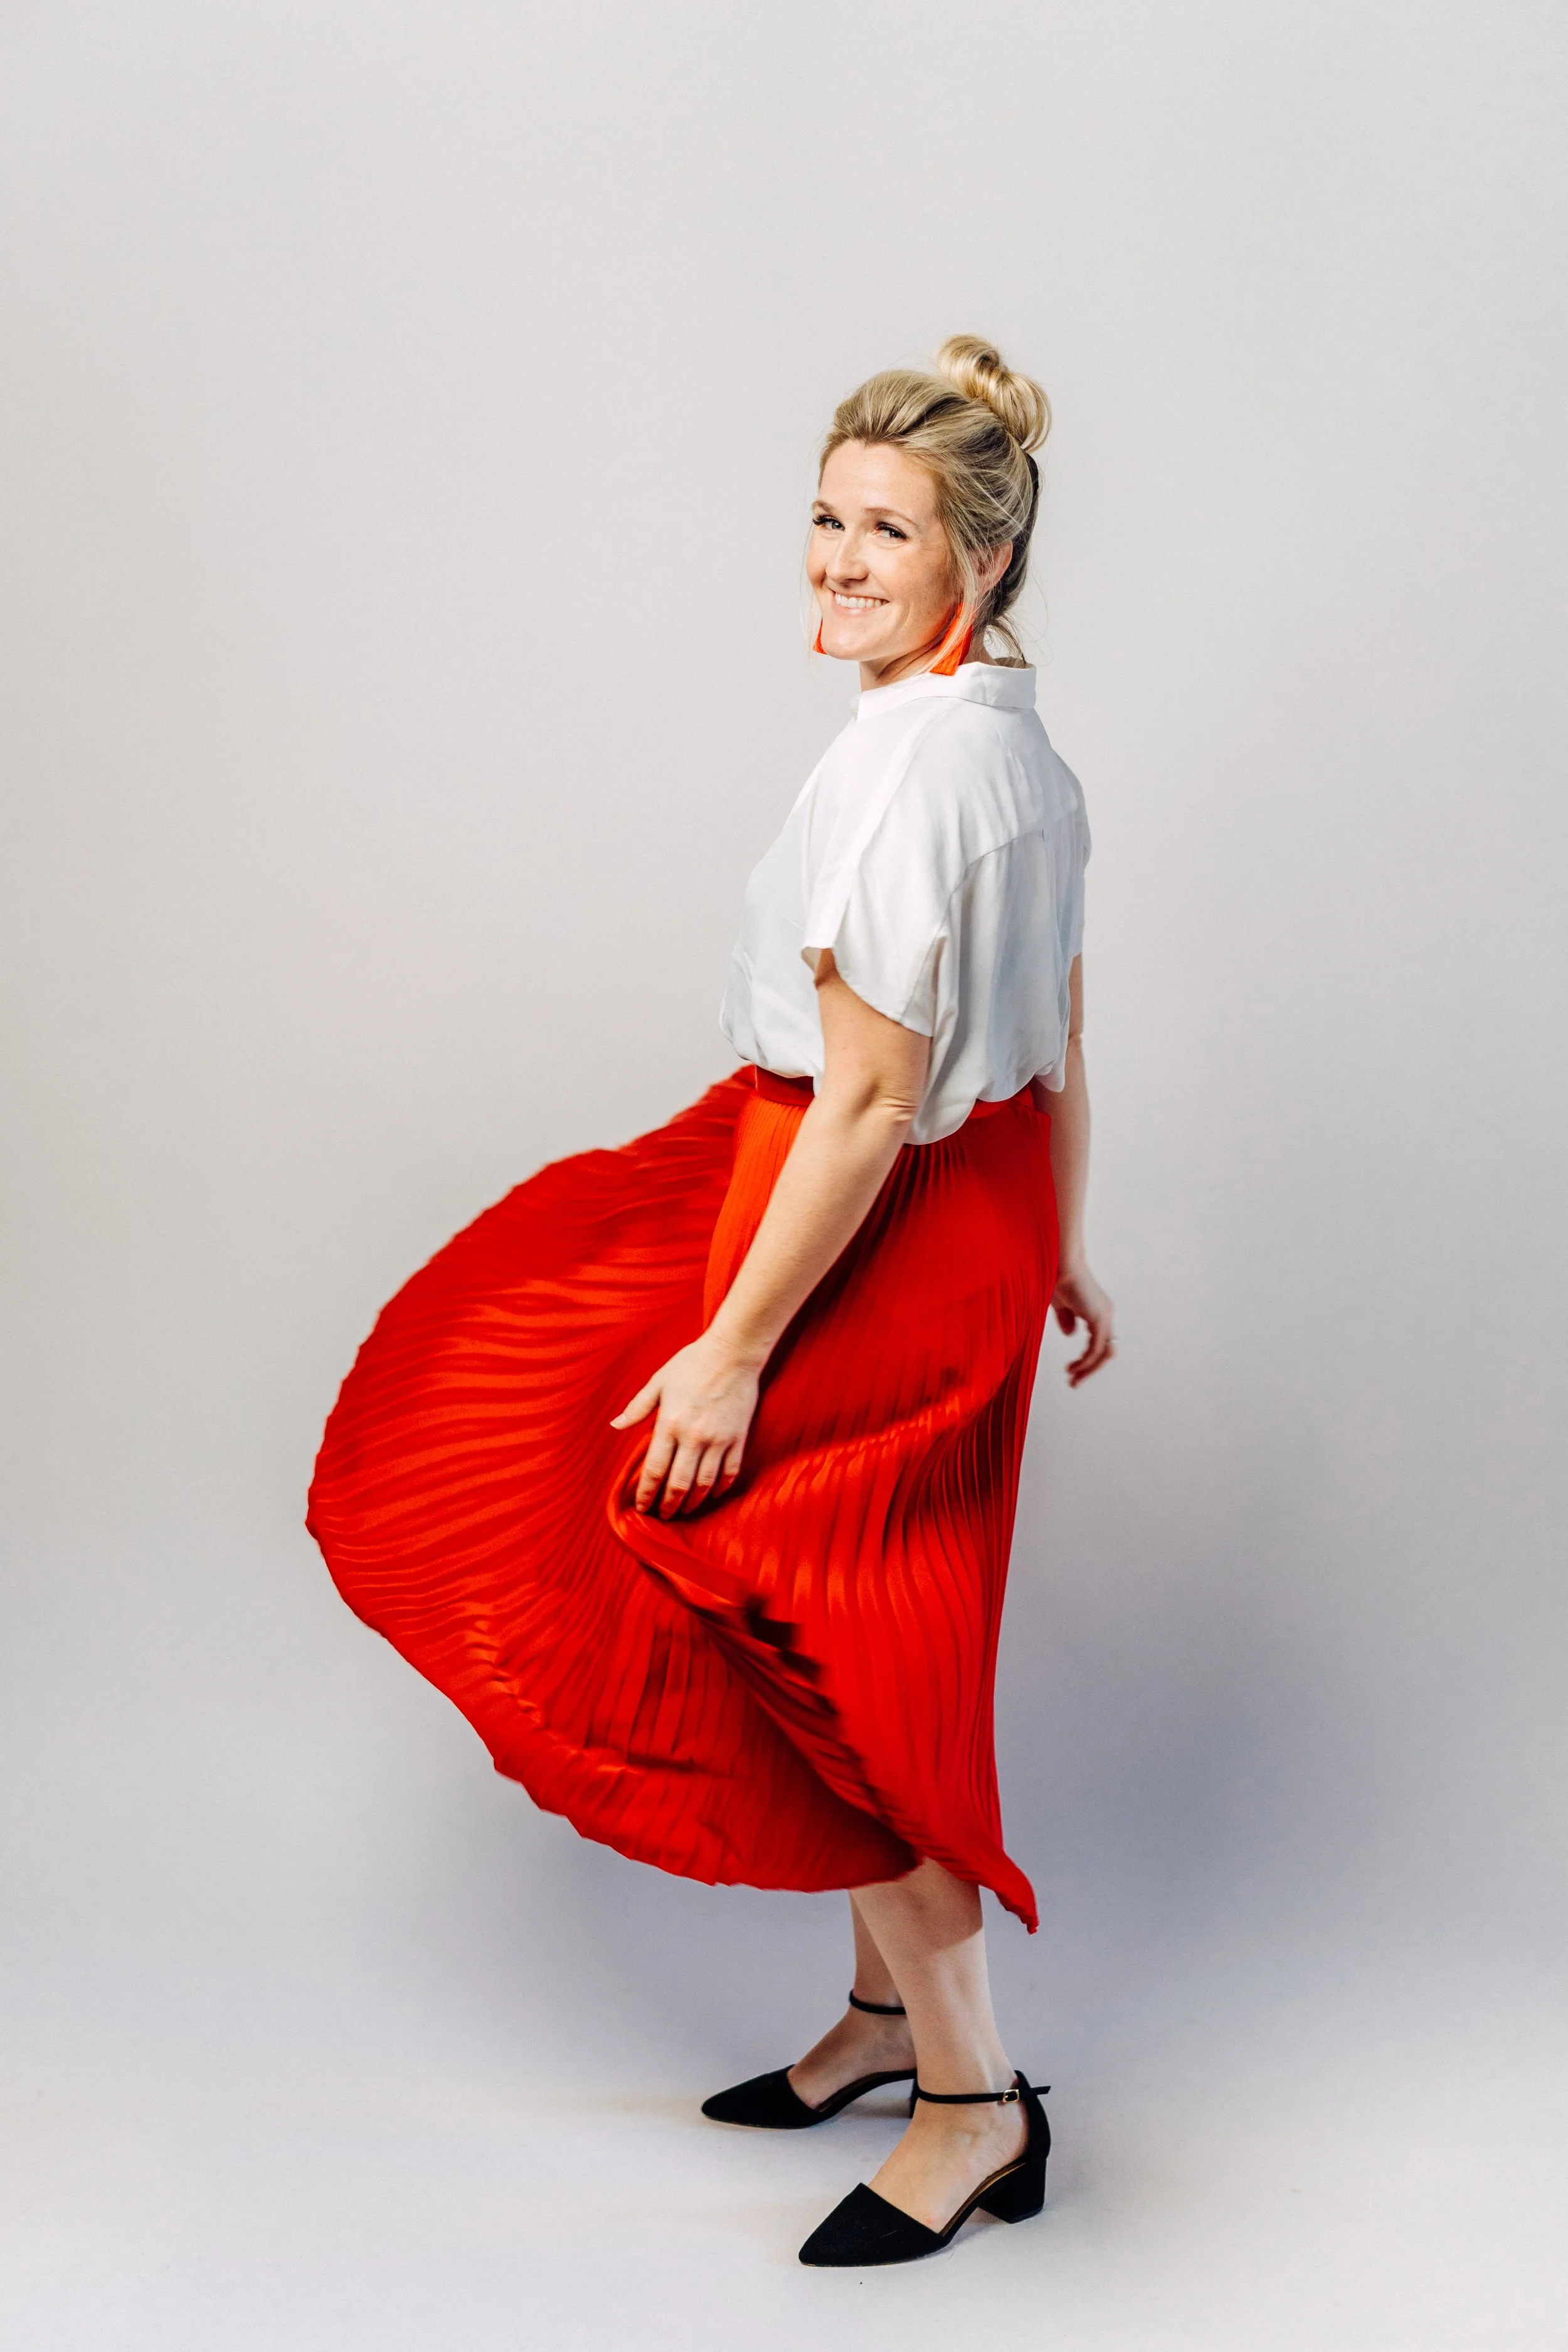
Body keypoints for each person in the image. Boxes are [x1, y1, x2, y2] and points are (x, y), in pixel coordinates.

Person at [307, 334, 1115, 2268]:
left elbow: (861, 1099)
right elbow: (1058, 1026)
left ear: (976, 564)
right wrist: (1062, 1231)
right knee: (852, 1622)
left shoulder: (903, 774)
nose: (834, 561)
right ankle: (870, 2018)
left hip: (864, 1209)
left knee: (824, 1641)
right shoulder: (1020, 744)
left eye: (883, 530)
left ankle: (971, 2097)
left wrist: (736, 1344)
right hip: (967, 1210)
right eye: (824, 518)